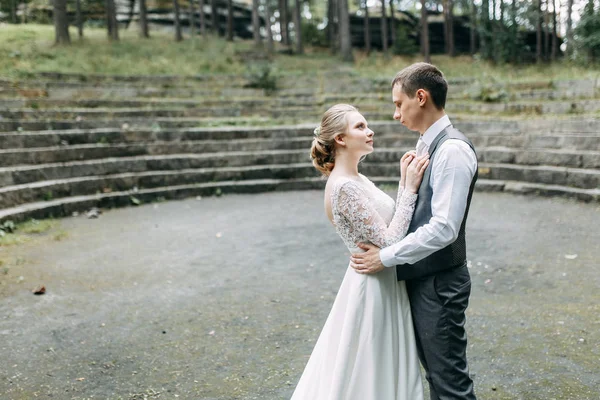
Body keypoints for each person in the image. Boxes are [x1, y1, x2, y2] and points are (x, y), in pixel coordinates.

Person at [349, 62, 479, 400]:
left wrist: (387, 257)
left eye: (398, 103)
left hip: (440, 284)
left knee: (450, 382)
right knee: (436, 376)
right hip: (424, 278)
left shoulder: (451, 151)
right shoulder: (424, 147)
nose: (395, 114)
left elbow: (444, 228)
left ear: (420, 97)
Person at [290, 104, 429, 400]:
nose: (370, 131)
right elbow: (390, 242)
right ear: (340, 139)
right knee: (372, 368)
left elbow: (387, 229)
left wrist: (404, 183)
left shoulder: (356, 180)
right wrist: (410, 187)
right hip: (373, 284)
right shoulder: (344, 188)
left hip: (382, 277)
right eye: (360, 126)